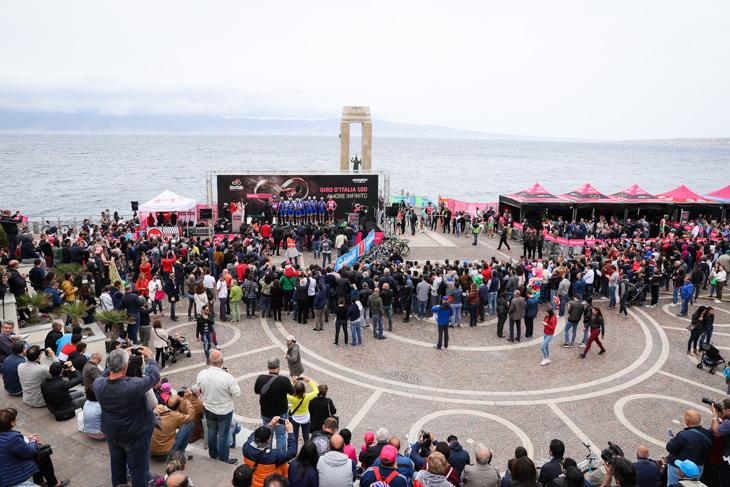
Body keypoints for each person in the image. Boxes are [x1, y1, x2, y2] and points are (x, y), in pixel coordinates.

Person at [94, 346, 160, 487]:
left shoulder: (98, 384)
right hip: (134, 434)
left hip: (112, 433)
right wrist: (151, 357)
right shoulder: (133, 385)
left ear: (108, 365)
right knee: (139, 471)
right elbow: (154, 377)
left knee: (117, 468)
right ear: (126, 366)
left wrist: (115, 359)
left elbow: (106, 374)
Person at [0, 407, 70, 487]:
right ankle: (54, 483)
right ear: (12, 423)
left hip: (4, 466)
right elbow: (29, 452)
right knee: (41, 453)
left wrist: (26, 441)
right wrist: (34, 441)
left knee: (35, 454)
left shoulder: (8, 436)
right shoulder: (12, 438)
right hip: (8, 475)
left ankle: (39, 481)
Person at [196, 350, 241, 464]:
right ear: (222, 361)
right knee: (223, 436)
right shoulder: (227, 378)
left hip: (209, 409)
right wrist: (229, 376)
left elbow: (198, 390)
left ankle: (213, 454)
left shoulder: (202, 374)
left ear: (210, 361)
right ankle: (224, 458)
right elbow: (237, 393)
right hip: (224, 412)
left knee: (211, 432)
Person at [254, 357, 296, 451]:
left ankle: (267, 455)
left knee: (267, 435)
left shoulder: (260, 378)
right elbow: (293, 393)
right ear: (279, 367)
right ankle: (280, 458)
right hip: (280, 415)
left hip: (265, 413)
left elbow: (257, 392)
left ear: (268, 367)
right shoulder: (284, 380)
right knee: (281, 436)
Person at [241, 418, 297, 487]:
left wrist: (270, 424)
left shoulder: (246, 446)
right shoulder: (273, 455)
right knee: (283, 465)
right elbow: (292, 452)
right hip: (268, 483)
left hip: (252, 481)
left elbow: (255, 434)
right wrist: (290, 432)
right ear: (268, 441)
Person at [665, 410, 713, 485]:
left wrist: (673, 438)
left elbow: (670, 448)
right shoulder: (708, 434)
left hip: (680, 469)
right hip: (698, 468)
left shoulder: (683, 435)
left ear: (687, 421)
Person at [150, 389, 196, 460]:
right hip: (165, 454)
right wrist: (187, 400)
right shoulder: (176, 416)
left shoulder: (159, 408)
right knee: (190, 424)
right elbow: (191, 416)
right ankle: (180, 454)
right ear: (178, 407)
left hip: (150, 451)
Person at [287, 375, 318, 445]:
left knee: (295, 437)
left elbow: (284, 392)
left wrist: (292, 381)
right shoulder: (307, 397)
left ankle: (294, 452)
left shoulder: (292, 398)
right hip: (306, 418)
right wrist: (309, 381)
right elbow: (316, 390)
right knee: (306, 437)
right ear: (304, 389)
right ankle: (306, 452)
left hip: (295, 418)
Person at [708, 399, 730, 486]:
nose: (722, 410)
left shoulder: (728, 423)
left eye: (723, 408)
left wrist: (715, 415)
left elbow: (716, 432)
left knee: (725, 482)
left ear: (728, 411)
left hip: (728, 461)